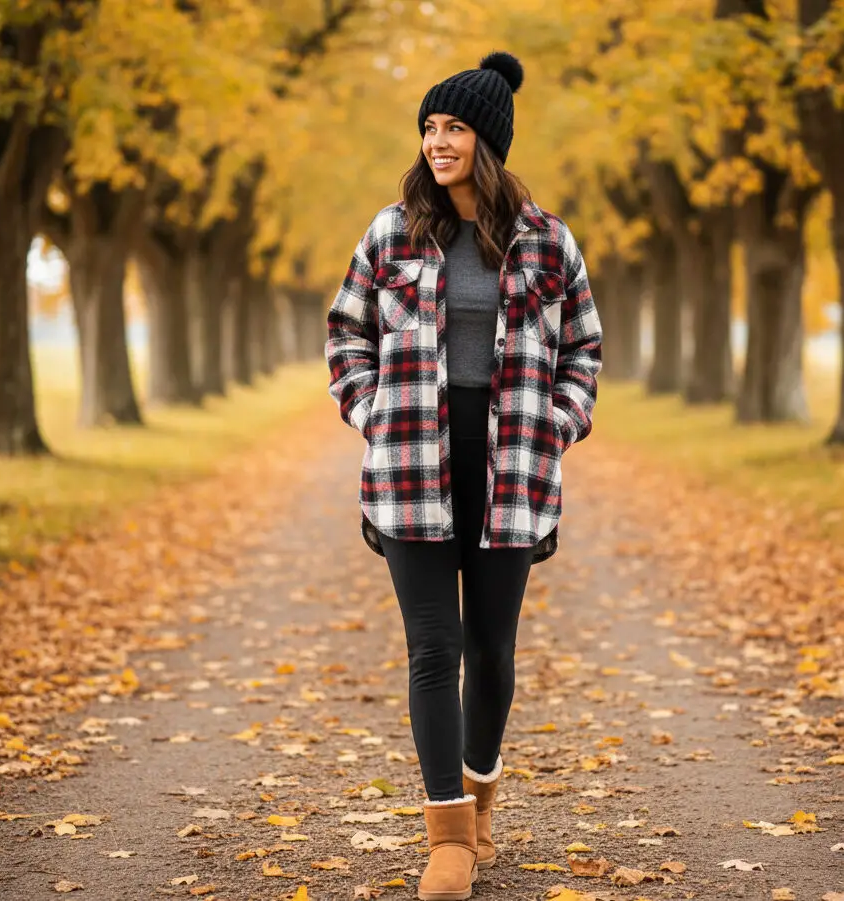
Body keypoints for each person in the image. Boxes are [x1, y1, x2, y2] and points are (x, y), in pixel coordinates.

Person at [325, 50, 602, 901]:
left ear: (488, 140)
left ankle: (481, 792)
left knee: (492, 649)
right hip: (411, 463)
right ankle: (446, 834)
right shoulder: (391, 230)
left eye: (452, 127)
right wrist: (373, 415)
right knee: (432, 647)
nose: (436, 140)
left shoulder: (548, 240)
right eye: (429, 126)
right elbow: (346, 337)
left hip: (512, 464)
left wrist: (556, 426)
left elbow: (583, 351)